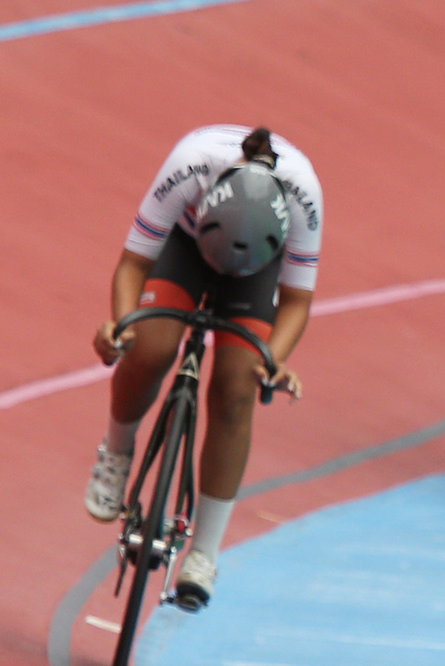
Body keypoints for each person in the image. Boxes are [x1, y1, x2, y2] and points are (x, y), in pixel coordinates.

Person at [84, 124, 322, 610]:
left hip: (257, 271)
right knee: (149, 348)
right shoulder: (189, 165)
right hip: (185, 249)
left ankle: (205, 554)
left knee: (237, 388)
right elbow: (133, 264)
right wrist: (122, 327)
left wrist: (273, 361)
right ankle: (117, 449)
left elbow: (297, 301)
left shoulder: (303, 197)